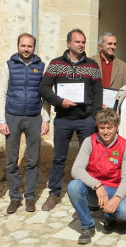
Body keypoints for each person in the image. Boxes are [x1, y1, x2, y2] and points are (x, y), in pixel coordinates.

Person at [39, 29, 103, 211]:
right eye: (77, 42)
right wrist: (60, 101)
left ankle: (90, 194)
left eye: (83, 42)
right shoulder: (56, 64)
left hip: (86, 120)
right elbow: (44, 88)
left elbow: (98, 93)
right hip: (63, 120)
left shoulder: (92, 66)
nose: (81, 45)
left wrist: (95, 118)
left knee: (90, 159)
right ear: (68, 43)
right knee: (59, 158)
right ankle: (54, 193)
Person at [0, 33, 50, 213]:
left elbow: (45, 95)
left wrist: (46, 118)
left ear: (34, 47)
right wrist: (1, 120)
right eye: (23, 46)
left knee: (33, 160)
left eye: (29, 46)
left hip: (34, 117)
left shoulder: (41, 67)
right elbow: (1, 94)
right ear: (18, 46)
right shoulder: (9, 65)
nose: (26, 49)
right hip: (12, 116)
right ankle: (14, 197)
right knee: (12, 160)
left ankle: (30, 197)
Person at [67, 109, 126, 244]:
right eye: (102, 128)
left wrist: (117, 198)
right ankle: (87, 226)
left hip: (114, 188)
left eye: (110, 128)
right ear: (97, 126)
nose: (106, 131)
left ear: (116, 127)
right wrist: (97, 185)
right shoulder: (89, 142)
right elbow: (76, 169)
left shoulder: (125, 145)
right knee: (73, 186)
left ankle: (109, 215)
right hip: (94, 189)